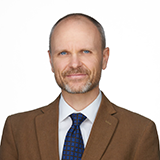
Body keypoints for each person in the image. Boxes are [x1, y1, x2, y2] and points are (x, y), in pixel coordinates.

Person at [0, 13, 159, 160]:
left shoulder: (140, 132)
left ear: (104, 58)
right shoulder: (17, 130)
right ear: (50, 61)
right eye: (63, 53)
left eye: (86, 51)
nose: (74, 64)